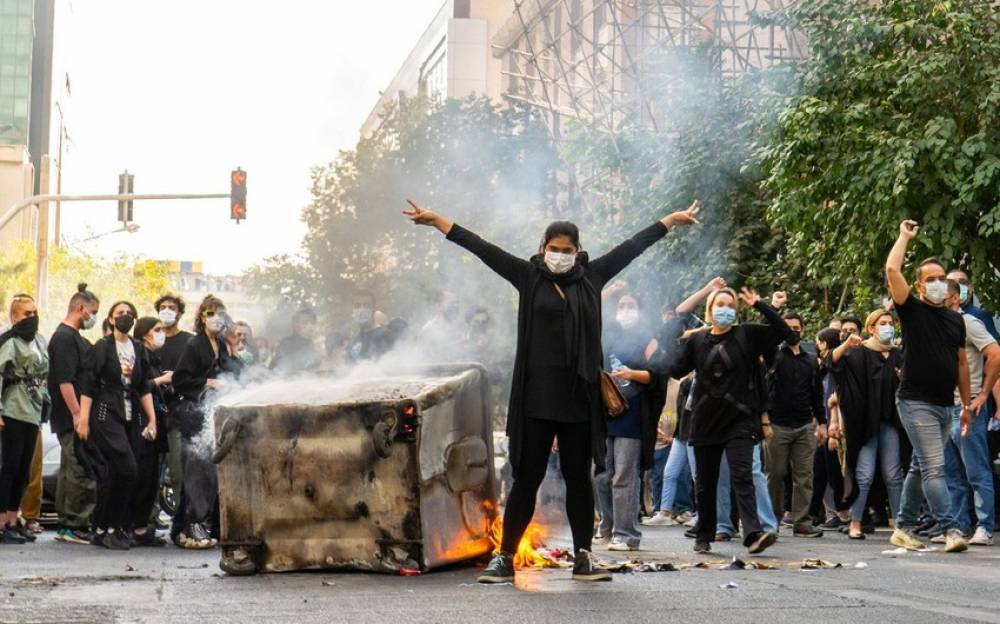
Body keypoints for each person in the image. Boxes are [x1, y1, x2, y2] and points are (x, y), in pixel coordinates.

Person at [403, 196, 700, 583]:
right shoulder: (528, 276)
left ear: (578, 252)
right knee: (527, 478)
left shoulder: (592, 276)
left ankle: (583, 557)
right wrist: (439, 221)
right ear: (542, 249)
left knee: (579, 479)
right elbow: (481, 248)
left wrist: (670, 220)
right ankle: (505, 557)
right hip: (536, 399)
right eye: (554, 249)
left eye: (567, 250)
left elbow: (633, 245)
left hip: (579, 400)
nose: (560, 255)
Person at [665, 277, 790, 554]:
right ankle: (704, 533)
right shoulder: (697, 340)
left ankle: (753, 533)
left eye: (730, 305)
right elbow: (674, 370)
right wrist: (673, 338)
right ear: (710, 310)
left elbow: (782, 331)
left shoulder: (747, 334)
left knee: (743, 475)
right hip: (705, 420)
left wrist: (761, 304)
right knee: (705, 482)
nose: (726, 309)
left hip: (741, 420)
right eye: (720, 304)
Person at [885, 220, 972, 553]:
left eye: (941, 279)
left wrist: (965, 404)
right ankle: (951, 528)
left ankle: (904, 527)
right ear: (919, 286)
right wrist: (904, 236)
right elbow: (893, 269)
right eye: (930, 279)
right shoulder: (912, 310)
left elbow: (962, 363)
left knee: (920, 466)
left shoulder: (955, 319)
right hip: (915, 401)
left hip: (945, 403)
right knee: (935, 467)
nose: (937, 283)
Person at [77, 301, 158, 550]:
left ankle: (102, 528)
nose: (125, 317)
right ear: (111, 319)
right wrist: (83, 419)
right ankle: (113, 525)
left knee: (115, 474)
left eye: (129, 313)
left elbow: (143, 386)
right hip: (105, 412)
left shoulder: (137, 348)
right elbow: (89, 386)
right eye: (120, 313)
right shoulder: (101, 347)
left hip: (130, 414)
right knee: (127, 468)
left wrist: (152, 419)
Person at [827, 309, 905, 540]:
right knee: (864, 475)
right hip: (865, 426)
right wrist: (846, 345)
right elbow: (831, 362)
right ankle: (856, 522)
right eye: (882, 323)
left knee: (893, 476)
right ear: (872, 328)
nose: (887, 327)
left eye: (890, 323)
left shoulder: (897, 355)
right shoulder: (859, 353)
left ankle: (902, 526)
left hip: (891, 423)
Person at [595, 294, 664, 551]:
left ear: (640, 310)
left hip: (633, 416)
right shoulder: (607, 338)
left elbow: (657, 376)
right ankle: (607, 527)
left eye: (630, 306)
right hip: (606, 415)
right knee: (602, 476)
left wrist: (631, 374)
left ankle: (626, 534)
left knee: (624, 476)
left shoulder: (648, 339)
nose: (625, 310)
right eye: (621, 306)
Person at [171, 295, 241, 549]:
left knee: (207, 473)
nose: (215, 318)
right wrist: (206, 382)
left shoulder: (220, 346)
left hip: (210, 414)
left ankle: (190, 525)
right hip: (192, 414)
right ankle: (189, 528)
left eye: (219, 313)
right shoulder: (193, 345)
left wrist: (232, 348)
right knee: (195, 471)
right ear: (201, 317)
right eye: (210, 313)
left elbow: (234, 373)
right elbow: (180, 379)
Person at [942, 280, 1000, 546]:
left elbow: (995, 353)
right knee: (952, 475)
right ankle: (958, 527)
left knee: (976, 471)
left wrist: (984, 393)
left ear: (954, 299)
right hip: (942, 408)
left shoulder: (969, 323)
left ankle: (985, 526)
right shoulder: (936, 326)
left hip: (968, 407)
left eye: (941, 295)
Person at [762, 312, 826, 538]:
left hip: (804, 425)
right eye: (788, 327)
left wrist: (823, 423)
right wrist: (765, 421)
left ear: (803, 330)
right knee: (776, 474)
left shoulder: (810, 360)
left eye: (797, 327)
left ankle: (802, 522)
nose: (793, 331)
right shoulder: (774, 356)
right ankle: (771, 521)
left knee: (804, 476)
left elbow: (817, 395)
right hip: (776, 425)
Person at [48, 283, 99, 545]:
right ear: (81, 308)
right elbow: (65, 381)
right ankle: (73, 524)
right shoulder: (64, 338)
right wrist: (79, 415)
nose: (94, 317)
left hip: (76, 416)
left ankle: (70, 523)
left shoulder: (75, 338)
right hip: (72, 417)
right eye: (93, 311)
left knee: (72, 467)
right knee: (78, 469)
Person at [0, 294, 49, 544]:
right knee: (8, 467)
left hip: (32, 410)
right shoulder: (9, 341)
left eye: (34, 313)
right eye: (26, 314)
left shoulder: (38, 342)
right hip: (12, 409)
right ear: (14, 317)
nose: (31, 318)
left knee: (23, 469)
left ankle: (12, 519)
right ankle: (1, 523)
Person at [154, 293, 192, 539]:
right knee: (151, 472)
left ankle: (181, 523)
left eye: (172, 307)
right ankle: (148, 521)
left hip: (178, 414)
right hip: (152, 413)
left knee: (178, 471)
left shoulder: (189, 342)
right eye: (163, 307)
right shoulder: (151, 339)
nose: (168, 311)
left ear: (180, 312)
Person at [131, 317, 171, 547]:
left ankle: (143, 526)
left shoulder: (152, 357)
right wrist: (162, 379)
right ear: (145, 333)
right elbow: (141, 385)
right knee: (143, 477)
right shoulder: (139, 354)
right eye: (157, 330)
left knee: (152, 478)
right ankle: (136, 527)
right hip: (144, 424)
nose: (161, 334)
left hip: (156, 423)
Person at [808, 328, 851, 531]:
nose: (817, 346)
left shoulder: (836, 367)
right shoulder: (823, 368)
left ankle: (843, 514)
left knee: (834, 472)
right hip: (825, 424)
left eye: (819, 342)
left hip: (835, 426)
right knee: (819, 471)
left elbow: (835, 400)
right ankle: (812, 514)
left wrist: (834, 425)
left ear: (825, 344)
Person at [269, 307, 322, 374]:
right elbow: (279, 370)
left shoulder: (313, 345)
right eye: (305, 323)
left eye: (313, 323)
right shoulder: (287, 345)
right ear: (296, 326)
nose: (310, 326)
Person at [347, 290, 391, 361]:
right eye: (357, 306)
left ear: (374, 308)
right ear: (352, 309)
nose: (361, 309)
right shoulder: (355, 341)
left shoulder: (386, 336)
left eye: (366, 305)